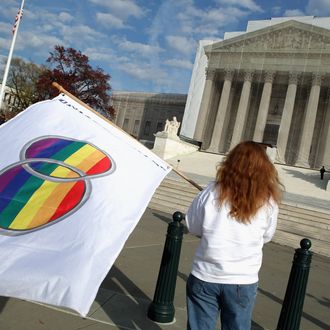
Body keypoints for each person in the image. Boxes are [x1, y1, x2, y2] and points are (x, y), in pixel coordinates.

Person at [185, 141, 283, 330]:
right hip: (242, 279)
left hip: (206, 275)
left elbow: (193, 227)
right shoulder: (269, 202)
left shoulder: (211, 192)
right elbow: (267, 236)